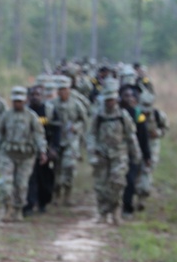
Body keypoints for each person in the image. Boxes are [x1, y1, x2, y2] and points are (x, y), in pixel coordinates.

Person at [0, 86, 47, 222]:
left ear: (25, 100)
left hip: (26, 156)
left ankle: (18, 209)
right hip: (8, 154)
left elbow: (39, 135)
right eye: (15, 101)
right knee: (6, 183)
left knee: (21, 185)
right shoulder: (6, 115)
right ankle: (7, 209)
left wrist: (42, 151)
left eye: (20, 101)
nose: (18, 104)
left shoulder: (31, 116)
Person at [87, 84, 141, 225]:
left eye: (112, 100)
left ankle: (116, 211)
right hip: (102, 154)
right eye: (108, 100)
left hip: (119, 155)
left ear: (116, 100)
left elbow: (131, 136)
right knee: (101, 185)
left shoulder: (123, 116)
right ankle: (103, 213)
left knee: (117, 183)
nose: (110, 103)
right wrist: (92, 151)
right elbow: (91, 134)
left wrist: (136, 154)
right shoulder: (98, 116)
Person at [51, 75, 89, 207]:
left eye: (65, 89)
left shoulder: (77, 104)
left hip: (71, 140)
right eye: (60, 89)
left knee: (69, 167)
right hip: (57, 141)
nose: (63, 92)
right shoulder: (52, 104)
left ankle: (67, 195)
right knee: (56, 169)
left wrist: (76, 127)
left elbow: (84, 121)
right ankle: (56, 194)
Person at [23, 84, 60, 216]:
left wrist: (54, 148)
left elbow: (56, 131)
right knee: (30, 178)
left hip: (47, 150)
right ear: (28, 97)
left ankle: (43, 203)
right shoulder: (25, 112)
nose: (35, 97)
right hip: (29, 150)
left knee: (46, 178)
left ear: (42, 96)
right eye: (32, 95)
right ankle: (29, 205)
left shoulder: (49, 111)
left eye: (38, 95)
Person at [119, 84, 152, 218]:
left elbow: (143, 135)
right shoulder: (114, 112)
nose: (128, 99)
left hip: (134, 153)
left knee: (130, 180)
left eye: (131, 96)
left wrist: (147, 155)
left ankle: (127, 208)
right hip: (117, 152)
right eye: (125, 96)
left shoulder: (138, 114)